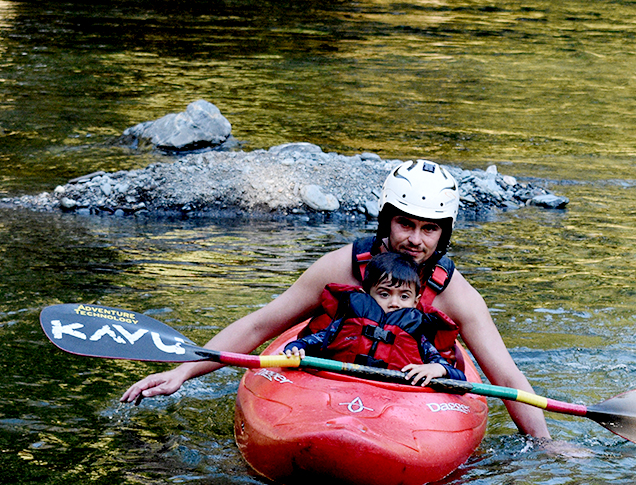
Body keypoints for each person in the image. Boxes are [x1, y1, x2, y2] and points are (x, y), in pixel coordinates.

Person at [121, 158, 586, 456]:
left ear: (445, 233)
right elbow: (264, 323)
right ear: (386, 220)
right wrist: (182, 369)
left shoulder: (454, 293)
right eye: (405, 224)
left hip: (413, 396)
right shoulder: (341, 268)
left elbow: (504, 376)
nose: (414, 240)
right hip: (326, 374)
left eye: (429, 229)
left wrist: (543, 443)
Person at [281, 251, 467, 386]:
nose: (395, 303)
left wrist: (438, 369)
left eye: (404, 297)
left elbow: (456, 376)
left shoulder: (419, 336)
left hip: (395, 398)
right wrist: (296, 349)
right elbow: (310, 342)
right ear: (366, 294)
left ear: (416, 301)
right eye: (384, 294)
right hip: (340, 385)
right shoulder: (345, 324)